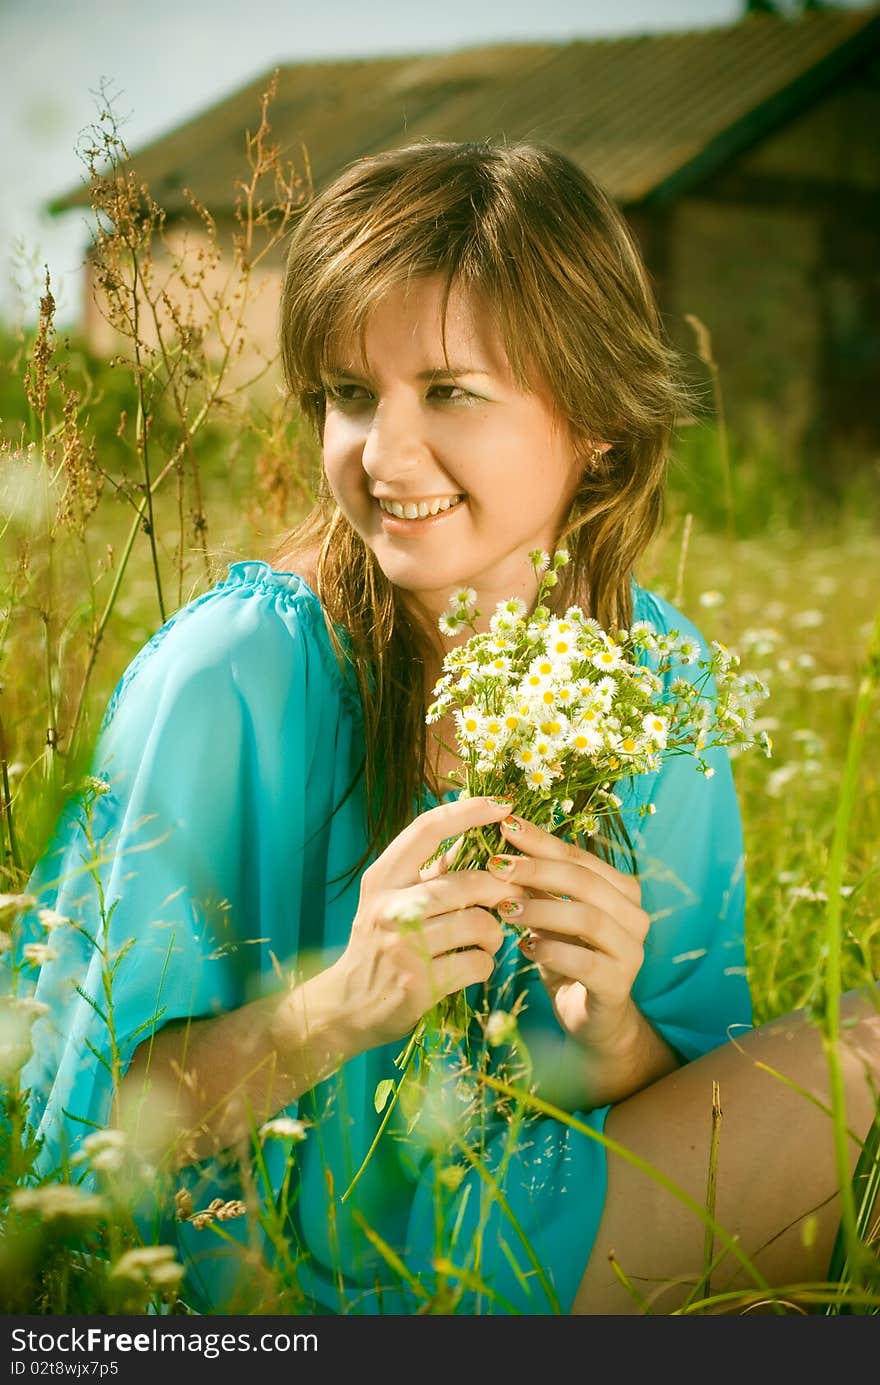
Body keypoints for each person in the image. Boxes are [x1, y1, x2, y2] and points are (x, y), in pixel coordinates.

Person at [11, 140, 878, 1317]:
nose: (383, 454)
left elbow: (684, 1081)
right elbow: (78, 1130)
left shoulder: (660, 676)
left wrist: (607, 1027)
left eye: (450, 390)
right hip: (263, 1264)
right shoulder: (232, 672)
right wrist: (336, 1006)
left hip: (537, 1222)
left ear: (600, 423)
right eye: (350, 394)